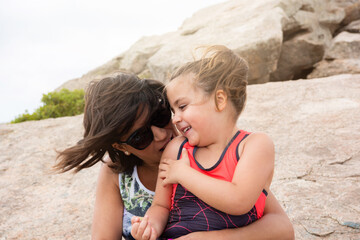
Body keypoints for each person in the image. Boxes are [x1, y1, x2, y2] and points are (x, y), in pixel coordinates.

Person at [54, 71, 294, 240]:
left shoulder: (210, 153)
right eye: (140, 137)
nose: (160, 134)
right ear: (120, 147)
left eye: (159, 117)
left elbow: (281, 227)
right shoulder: (118, 175)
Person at [131, 45, 276, 240]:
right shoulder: (176, 149)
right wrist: (150, 226)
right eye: (174, 112)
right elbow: (161, 206)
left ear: (220, 99)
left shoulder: (254, 145)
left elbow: (239, 200)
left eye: (182, 106)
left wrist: (184, 174)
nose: (175, 119)